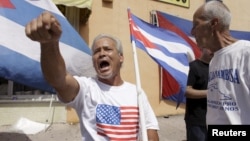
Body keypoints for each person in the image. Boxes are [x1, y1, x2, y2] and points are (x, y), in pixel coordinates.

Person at [25, 11, 159, 141]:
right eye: (96, 51)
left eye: (107, 49)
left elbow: (150, 129)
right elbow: (59, 79)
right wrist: (49, 44)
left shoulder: (137, 93)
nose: (101, 54)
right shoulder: (87, 88)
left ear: (121, 57)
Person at [191, 0, 250, 125]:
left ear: (214, 24)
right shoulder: (214, 60)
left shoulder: (246, 53)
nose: (192, 32)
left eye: (196, 25)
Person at [184, 48, 213, 141]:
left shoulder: (216, 67)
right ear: (202, 49)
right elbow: (187, 91)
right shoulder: (193, 67)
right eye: (209, 48)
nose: (212, 51)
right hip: (197, 119)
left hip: (214, 118)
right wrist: (210, 93)